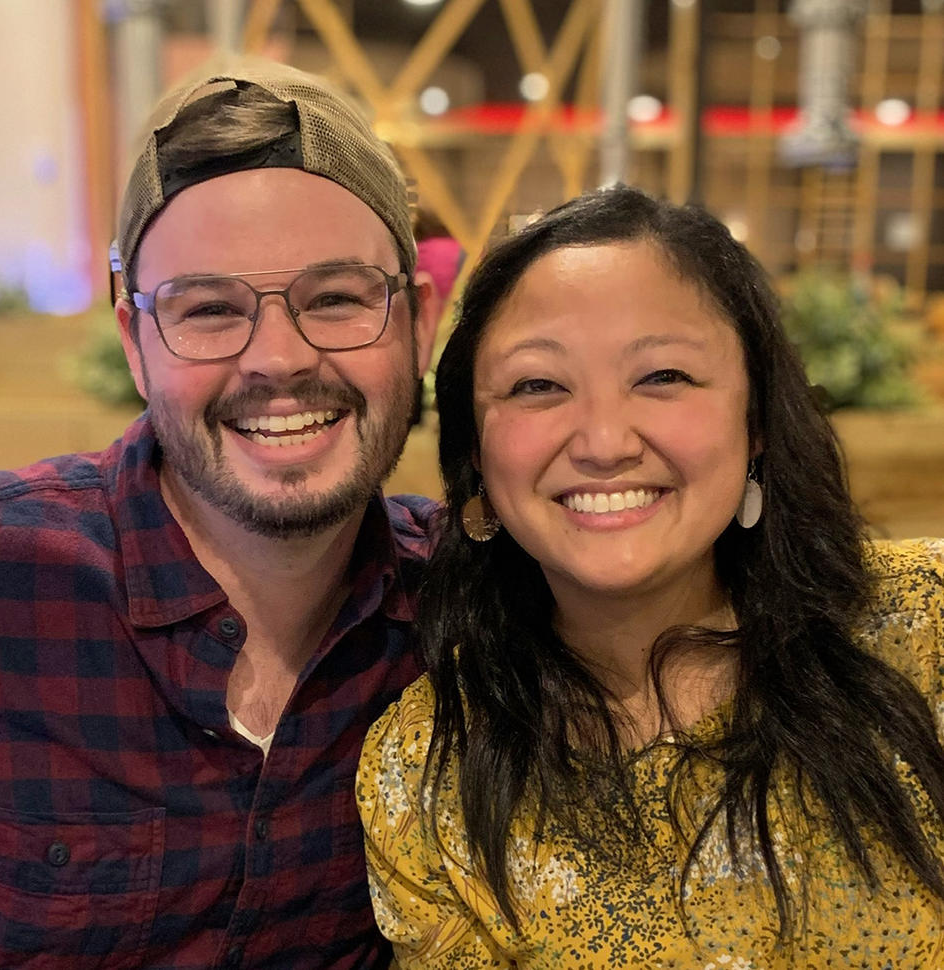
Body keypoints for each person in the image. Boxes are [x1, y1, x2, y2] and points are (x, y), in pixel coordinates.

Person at [356, 184, 944, 967]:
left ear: (758, 421)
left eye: (663, 376)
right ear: (475, 462)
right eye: (538, 385)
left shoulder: (924, 631)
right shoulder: (428, 768)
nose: (603, 441)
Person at [0, 57, 437, 969]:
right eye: (211, 309)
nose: (278, 358)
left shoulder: (473, 609)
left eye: (337, 298)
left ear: (417, 323)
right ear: (135, 345)